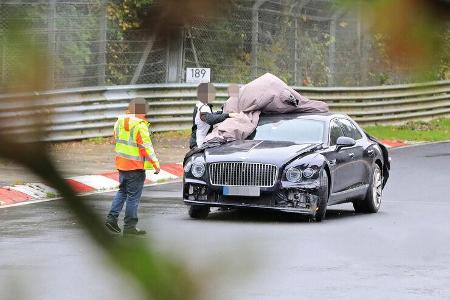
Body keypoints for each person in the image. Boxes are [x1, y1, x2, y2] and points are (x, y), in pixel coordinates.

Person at [105, 98, 160, 236]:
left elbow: (116, 138)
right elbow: (146, 148)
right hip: (136, 167)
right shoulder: (140, 126)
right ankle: (129, 226)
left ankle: (112, 219)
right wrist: (156, 164)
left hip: (122, 164)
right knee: (133, 198)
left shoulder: (118, 122)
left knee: (122, 192)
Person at [189, 83, 238, 149]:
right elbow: (210, 119)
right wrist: (228, 115)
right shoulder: (203, 106)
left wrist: (222, 112)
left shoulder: (202, 104)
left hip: (200, 140)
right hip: (198, 143)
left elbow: (211, 115)